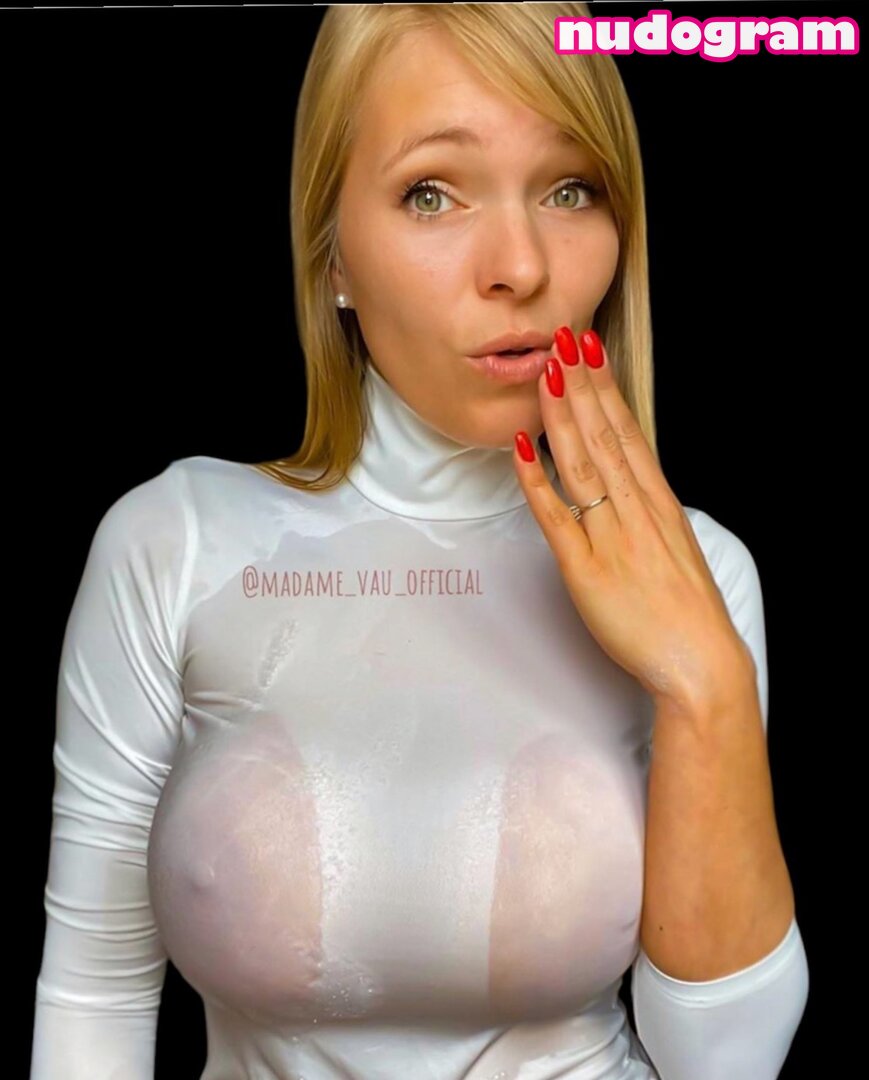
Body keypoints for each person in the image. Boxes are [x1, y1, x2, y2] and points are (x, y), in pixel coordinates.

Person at [30, 3, 809, 1078]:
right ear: (332, 255)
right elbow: (94, 1000)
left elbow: (725, 1064)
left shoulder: (702, 571)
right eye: (431, 193)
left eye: (569, 189)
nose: (519, 266)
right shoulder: (178, 544)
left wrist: (705, 684)